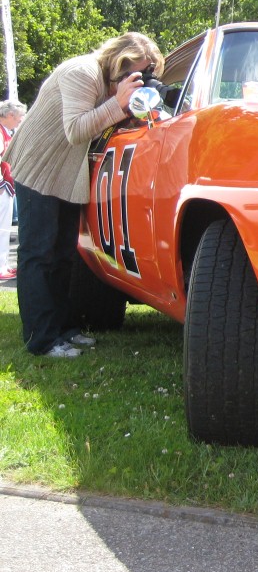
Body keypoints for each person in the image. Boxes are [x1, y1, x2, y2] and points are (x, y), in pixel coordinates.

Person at [1, 33, 164, 358]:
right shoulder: (83, 72)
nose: (141, 79)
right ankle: (42, 339)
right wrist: (118, 103)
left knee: (62, 255)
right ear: (121, 62)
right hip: (39, 166)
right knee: (38, 254)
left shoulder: (104, 84)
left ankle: (64, 329)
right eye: (139, 72)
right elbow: (76, 129)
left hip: (65, 172)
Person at [0, 99, 27, 280]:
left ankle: (3, 264)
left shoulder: (5, 132)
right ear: (10, 115)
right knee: (2, 228)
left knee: (4, 227)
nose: (20, 120)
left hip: (6, 186)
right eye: (19, 117)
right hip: (3, 187)